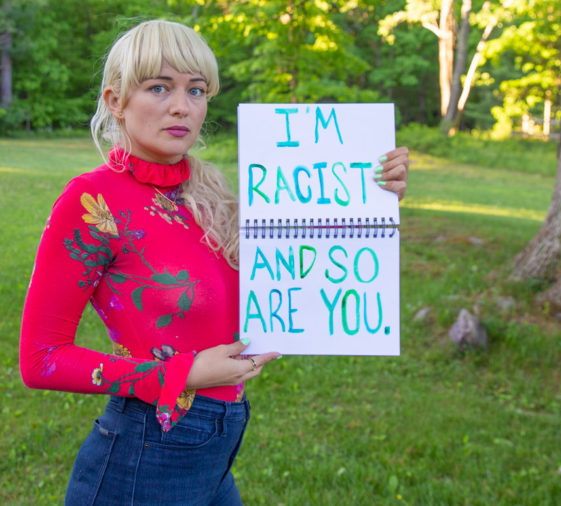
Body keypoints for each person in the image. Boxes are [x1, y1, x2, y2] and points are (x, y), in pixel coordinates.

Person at [19, 19, 409, 505]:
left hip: (217, 447)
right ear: (115, 101)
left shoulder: (211, 195)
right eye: (159, 87)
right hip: (144, 456)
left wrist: (370, 190)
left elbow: (302, 256)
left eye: (196, 89)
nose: (182, 106)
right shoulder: (92, 200)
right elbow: (40, 360)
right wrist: (175, 374)